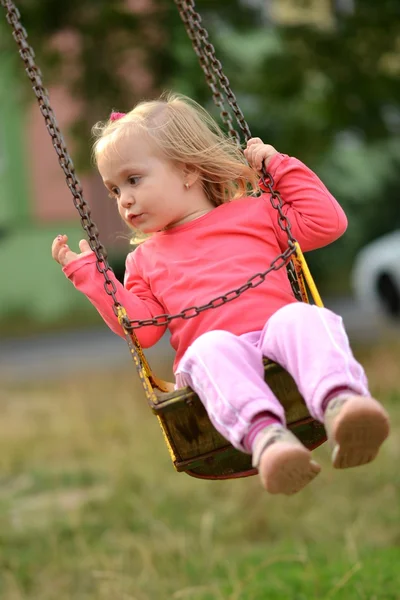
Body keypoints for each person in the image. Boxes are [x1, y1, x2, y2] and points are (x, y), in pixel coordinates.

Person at [51, 93, 390, 496]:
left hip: (278, 341)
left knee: (302, 318)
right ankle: (269, 442)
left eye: (133, 179)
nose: (123, 199)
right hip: (215, 361)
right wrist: (93, 278)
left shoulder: (256, 212)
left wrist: (278, 166)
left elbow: (327, 223)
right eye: (113, 189)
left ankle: (343, 405)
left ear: (187, 171)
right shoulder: (144, 260)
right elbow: (141, 331)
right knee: (210, 347)